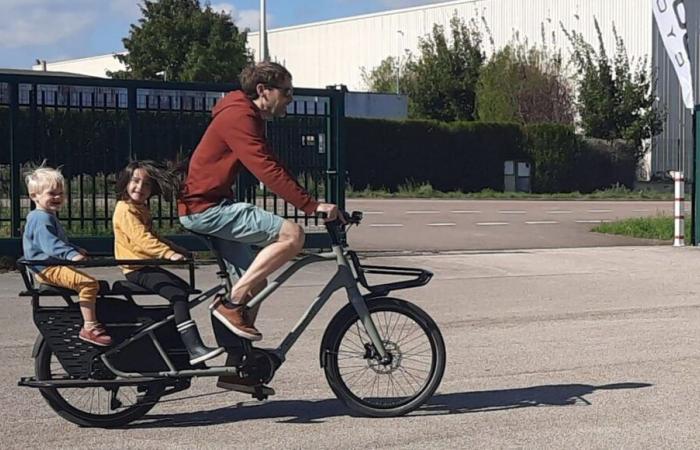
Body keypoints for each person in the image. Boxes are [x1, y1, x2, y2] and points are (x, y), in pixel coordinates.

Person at [177, 61, 340, 392]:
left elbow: (269, 164)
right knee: (292, 234)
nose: (291, 98)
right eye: (287, 91)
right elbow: (265, 168)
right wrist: (311, 205)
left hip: (207, 204)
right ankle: (231, 304)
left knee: (258, 279)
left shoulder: (240, 113)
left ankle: (236, 367)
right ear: (264, 90)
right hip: (207, 207)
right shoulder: (239, 115)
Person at [113, 160, 224, 365]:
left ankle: (176, 350)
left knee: (182, 290)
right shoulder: (125, 210)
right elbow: (142, 239)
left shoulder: (139, 208)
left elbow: (154, 235)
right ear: (125, 182)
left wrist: (178, 249)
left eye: (146, 184)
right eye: (135, 181)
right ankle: (193, 349)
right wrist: (168, 254)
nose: (140, 187)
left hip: (145, 266)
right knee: (177, 295)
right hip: (136, 269)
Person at [23, 166, 112, 346]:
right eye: (52, 193)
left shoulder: (45, 216)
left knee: (92, 284)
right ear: (34, 196)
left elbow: (55, 241)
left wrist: (75, 248)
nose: (57, 197)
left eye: (61, 193)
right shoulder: (41, 218)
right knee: (88, 284)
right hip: (47, 268)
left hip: (48, 266)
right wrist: (71, 254)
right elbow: (50, 245)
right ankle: (90, 327)